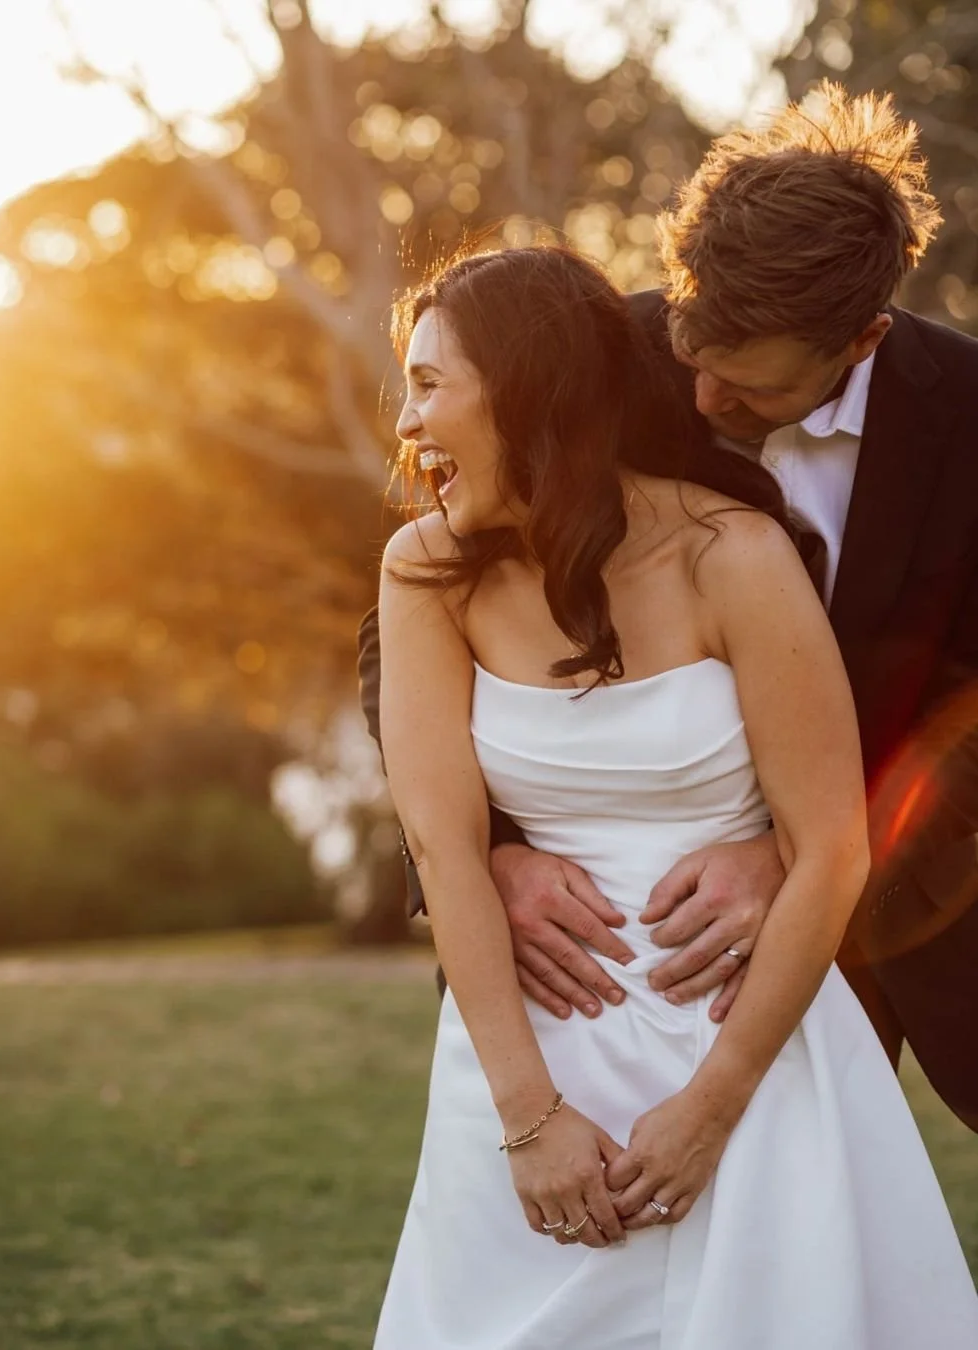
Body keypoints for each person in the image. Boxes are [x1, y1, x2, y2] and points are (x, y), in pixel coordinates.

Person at [371, 241, 977, 1348]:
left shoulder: (735, 554)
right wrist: (527, 1117)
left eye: (427, 385)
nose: (407, 428)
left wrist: (712, 1106)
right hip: (522, 1050)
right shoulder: (424, 569)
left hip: (749, 1042)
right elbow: (443, 845)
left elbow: (833, 845)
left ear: (525, 389)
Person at [358, 84, 978, 1130]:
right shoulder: (607, 359)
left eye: (751, 393)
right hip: (612, 957)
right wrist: (485, 849)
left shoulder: (967, 419)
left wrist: (806, 847)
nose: (701, 405)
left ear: (862, 339)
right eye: (696, 354)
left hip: (928, 907)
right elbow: (417, 613)